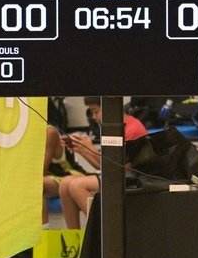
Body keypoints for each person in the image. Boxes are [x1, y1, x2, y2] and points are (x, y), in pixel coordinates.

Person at [59, 97, 148, 229]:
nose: (94, 117)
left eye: (95, 111)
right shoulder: (112, 128)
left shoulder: (132, 129)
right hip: (117, 175)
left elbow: (120, 169)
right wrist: (82, 150)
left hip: (131, 179)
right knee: (65, 183)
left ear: (108, 107)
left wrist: (90, 149)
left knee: (76, 186)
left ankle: (102, 231)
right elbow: (103, 166)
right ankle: (74, 237)